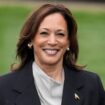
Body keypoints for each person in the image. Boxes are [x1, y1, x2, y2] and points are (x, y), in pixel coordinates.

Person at [0, 3, 105, 105]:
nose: (52, 41)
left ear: (68, 41)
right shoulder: (3, 88)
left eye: (60, 34)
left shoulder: (91, 85)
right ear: (31, 39)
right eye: (44, 33)